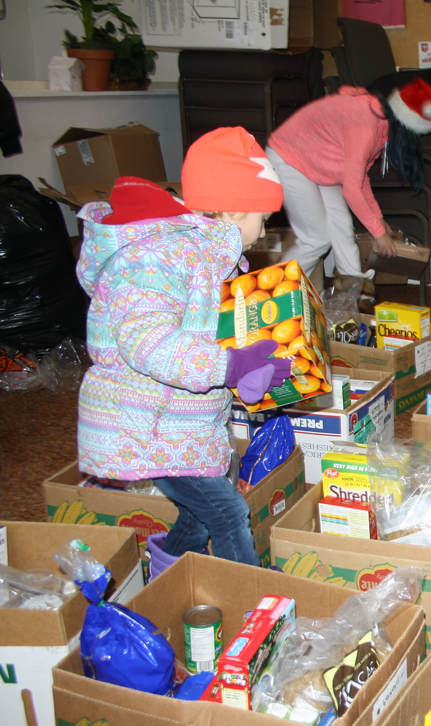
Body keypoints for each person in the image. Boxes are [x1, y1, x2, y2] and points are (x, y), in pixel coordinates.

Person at [76, 127, 292, 568]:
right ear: (233, 209)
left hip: (178, 425)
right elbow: (150, 343)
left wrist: (250, 370)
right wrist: (231, 366)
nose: (265, 229)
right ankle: (252, 603)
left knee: (197, 520)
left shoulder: (210, 257)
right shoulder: (159, 255)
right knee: (229, 512)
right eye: (262, 217)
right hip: (141, 425)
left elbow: (202, 336)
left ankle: (161, 582)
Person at [266, 77, 431, 281]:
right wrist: (378, 233)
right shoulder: (367, 126)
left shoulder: (381, 124)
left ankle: (353, 288)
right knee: (316, 240)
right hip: (289, 158)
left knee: (342, 226)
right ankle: (275, 290)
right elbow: (351, 190)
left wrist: (377, 218)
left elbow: (360, 178)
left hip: (318, 161)